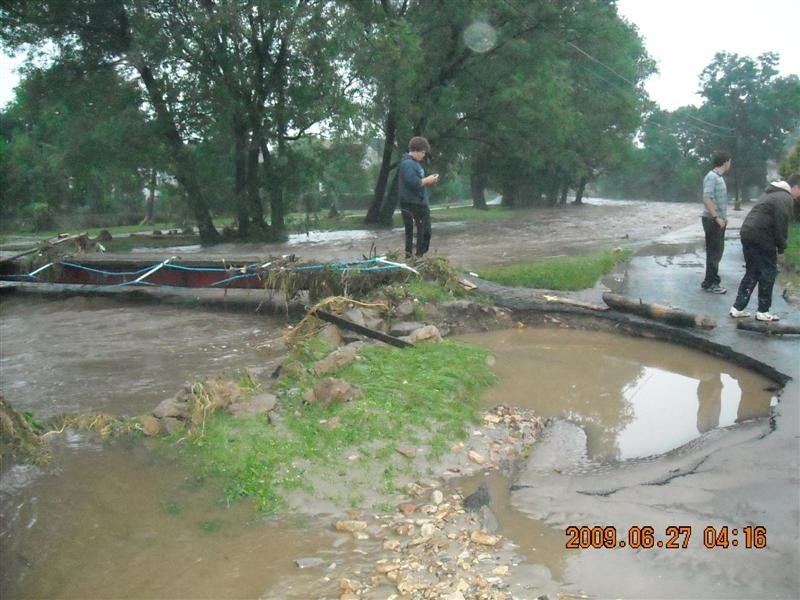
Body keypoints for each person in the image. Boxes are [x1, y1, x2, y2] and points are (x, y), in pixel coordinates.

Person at [728, 174, 800, 322]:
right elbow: (781, 225)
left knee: (752, 271)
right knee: (768, 272)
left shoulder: (771, 193)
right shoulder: (785, 198)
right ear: (795, 187)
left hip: (747, 232)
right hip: (762, 236)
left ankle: (737, 308)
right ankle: (763, 311)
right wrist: (781, 248)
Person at [398, 136, 439, 257]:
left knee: (425, 233)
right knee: (415, 233)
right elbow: (413, 182)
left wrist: (429, 181)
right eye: (423, 153)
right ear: (417, 150)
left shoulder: (415, 164)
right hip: (412, 204)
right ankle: (412, 258)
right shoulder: (408, 164)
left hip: (419, 203)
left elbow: (419, 182)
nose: (423, 156)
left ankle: (418, 257)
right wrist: (428, 180)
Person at [700, 151, 732, 294]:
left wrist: (724, 217)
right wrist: (716, 218)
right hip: (713, 221)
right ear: (725, 162)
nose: (730, 164)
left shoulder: (718, 177)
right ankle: (713, 283)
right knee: (714, 253)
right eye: (730, 161)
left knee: (716, 252)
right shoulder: (712, 177)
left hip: (718, 220)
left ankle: (708, 282)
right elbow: (707, 198)